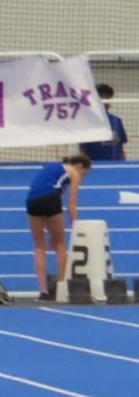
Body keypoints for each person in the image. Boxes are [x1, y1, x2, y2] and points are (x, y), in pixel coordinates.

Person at [26, 153, 91, 299]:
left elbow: (45, 188)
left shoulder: (53, 168)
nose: (82, 177)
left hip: (32, 201)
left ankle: (43, 290)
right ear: (80, 166)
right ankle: (62, 287)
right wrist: (76, 228)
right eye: (84, 173)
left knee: (38, 247)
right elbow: (71, 206)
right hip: (50, 199)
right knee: (60, 244)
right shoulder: (73, 173)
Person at [79, 84, 128, 162]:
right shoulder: (87, 122)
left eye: (108, 97)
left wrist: (124, 165)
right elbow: (82, 151)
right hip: (94, 165)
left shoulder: (116, 121)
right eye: (102, 97)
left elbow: (121, 149)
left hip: (115, 165)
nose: (106, 101)